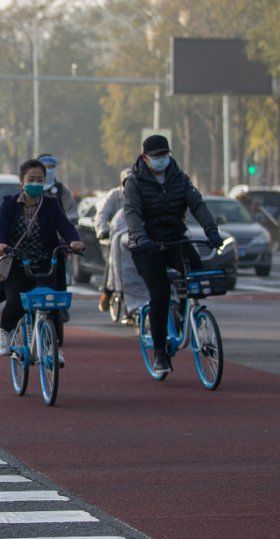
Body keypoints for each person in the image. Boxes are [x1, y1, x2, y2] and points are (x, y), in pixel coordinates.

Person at [123, 134, 222, 373]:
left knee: (198, 276)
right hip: (146, 245)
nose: (161, 160)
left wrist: (212, 231)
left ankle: (189, 316)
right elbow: (132, 213)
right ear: (145, 157)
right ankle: (159, 351)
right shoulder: (134, 182)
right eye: (156, 156)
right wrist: (142, 237)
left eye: (165, 155)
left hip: (176, 239)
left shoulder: (180, 178)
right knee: (160, 293)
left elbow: (197, 205)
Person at [0, 159, 84, 357]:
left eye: (39, 180)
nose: (35, 183)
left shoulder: (51, 205)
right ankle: (4, 331)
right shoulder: (8, 204)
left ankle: (52, 347)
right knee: (16, 300)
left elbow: (65, 226)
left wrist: (74, 241)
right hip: (16, 262)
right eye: (31, 179)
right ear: (21, 182)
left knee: (51, 304)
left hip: (46, 261)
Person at [95, 168, 131, 312]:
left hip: (133, 239)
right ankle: (107, 291)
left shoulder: (142, 195)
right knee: (113, 264)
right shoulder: (114, 195)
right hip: (113, 238)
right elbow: (101, 215)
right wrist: (103, 229)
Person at [37, 153, 79, 224]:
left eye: (51, 166)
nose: (48, 170)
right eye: (45, 166)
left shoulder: (60, 189)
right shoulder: (30, 189)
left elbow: (72, 211)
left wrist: (65, 222)